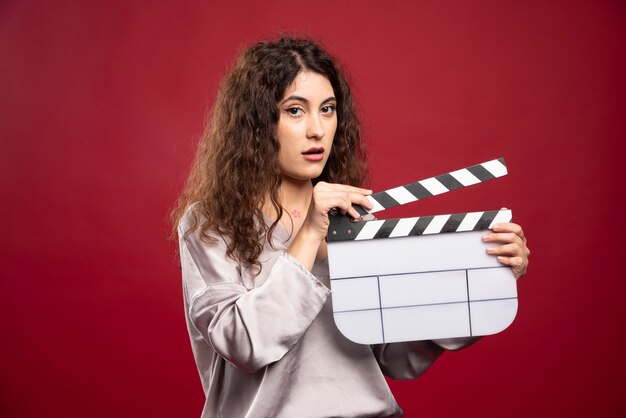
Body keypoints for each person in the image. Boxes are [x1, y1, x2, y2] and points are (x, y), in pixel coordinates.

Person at [171, 36, 530, 418]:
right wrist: (309, 235)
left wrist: (485, 280)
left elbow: (396, 355)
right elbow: (244, 342)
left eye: (327, 109)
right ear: (257, 123)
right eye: (295, 110)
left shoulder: (353, 220)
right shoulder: (209, 224)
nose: (317, 130)